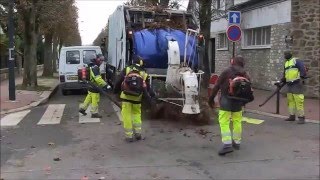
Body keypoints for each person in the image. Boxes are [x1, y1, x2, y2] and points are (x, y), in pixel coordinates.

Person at [208, 56, 253, 156]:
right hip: (238, 103)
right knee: (237, 121)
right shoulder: (246, 74)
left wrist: (211, 99)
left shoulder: (227, 71)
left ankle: (227, 144)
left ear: (233, 62)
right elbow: (248, 89)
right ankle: (237, 142)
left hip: (226, 101)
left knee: (224, 121)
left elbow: (216, 86)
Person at [113, 57, 155, 142]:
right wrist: (152, 96)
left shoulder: (127, 69)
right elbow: (147, 87)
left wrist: (115, 91)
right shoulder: (143, 73)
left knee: (127, 115)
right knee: (136, 114)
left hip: (126, 97)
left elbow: (119, 80)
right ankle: (138, 133)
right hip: (137, 98)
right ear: (141, 63)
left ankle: (129, 136)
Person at [281, 50, 307, 124]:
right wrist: (283, 79)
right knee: (290, 101)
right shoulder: (286, 63)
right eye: (284, 54)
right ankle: (292, 116)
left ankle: (301, 118)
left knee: (298, 101)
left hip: (297, 84)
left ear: (290, 54)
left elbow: (302, 69)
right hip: (289, 84)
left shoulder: (296, 61)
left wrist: (301, 77)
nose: (285, 55)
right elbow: (285, 73)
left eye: (286, 54)